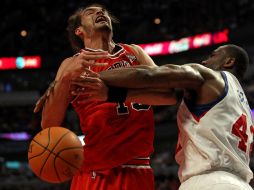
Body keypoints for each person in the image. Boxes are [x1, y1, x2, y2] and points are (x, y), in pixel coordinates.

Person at [34, 3, 176, 190]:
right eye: (90, 12)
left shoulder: (134, 53)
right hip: (97, 172)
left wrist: (115, 95)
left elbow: (170, 96)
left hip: (139, 168)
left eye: (103, 11)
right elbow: (48, 124)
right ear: (79, 31)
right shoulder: (72, 64)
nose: (100, 12)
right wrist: (64, 79)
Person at [71, 44, 254, 190]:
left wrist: (93, 79)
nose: (205, 60)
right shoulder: (242, 104)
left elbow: (149, 74)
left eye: (213, 55)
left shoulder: (209, 76)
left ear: (229, 61)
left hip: (209, 182)